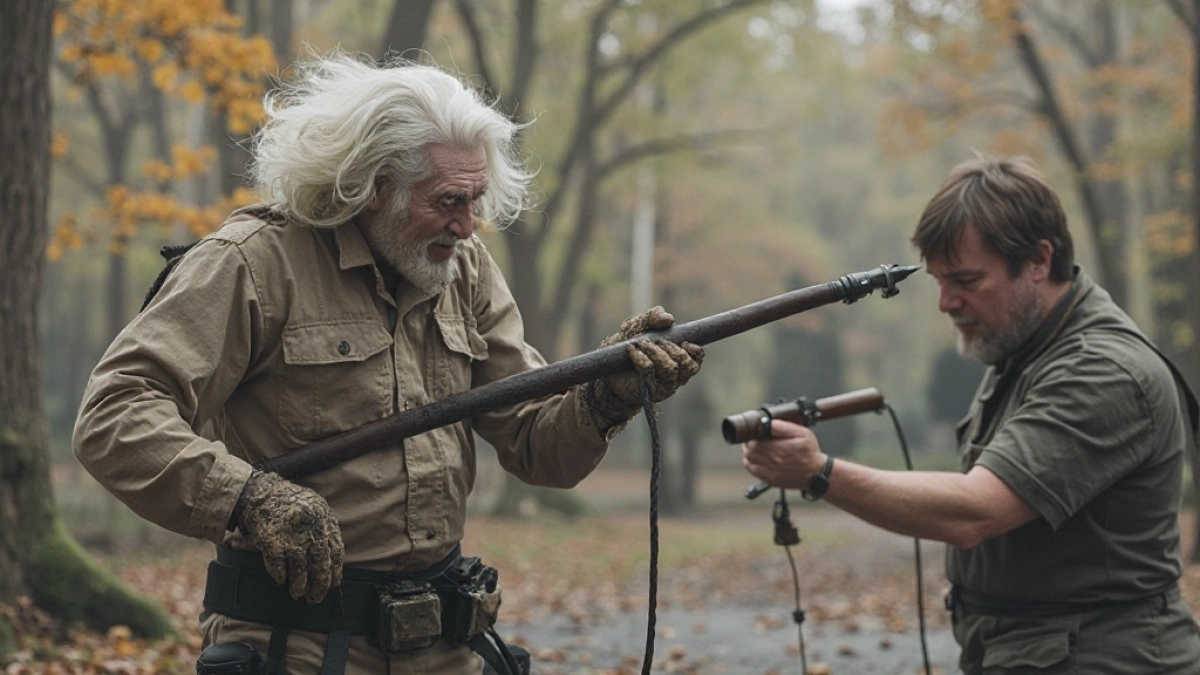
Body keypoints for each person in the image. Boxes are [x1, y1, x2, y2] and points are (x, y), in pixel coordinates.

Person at [73, 53, 704, 675]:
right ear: (372, 187)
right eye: (448, 201)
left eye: (476, 199)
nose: (467, 226)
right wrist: (248, 497)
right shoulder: (252, 263)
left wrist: (605, 396)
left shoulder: (465, 268)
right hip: (294, 645)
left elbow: (537, 444)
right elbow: (114, 414)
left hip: (446, 646)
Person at [742, 155, 1200, 673]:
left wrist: (818, 472)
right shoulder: (1023, 349)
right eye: (940, 281)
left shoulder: (1102, 370)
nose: (946, 303)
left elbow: (976, 512)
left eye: (965, 280)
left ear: (1038, 261)